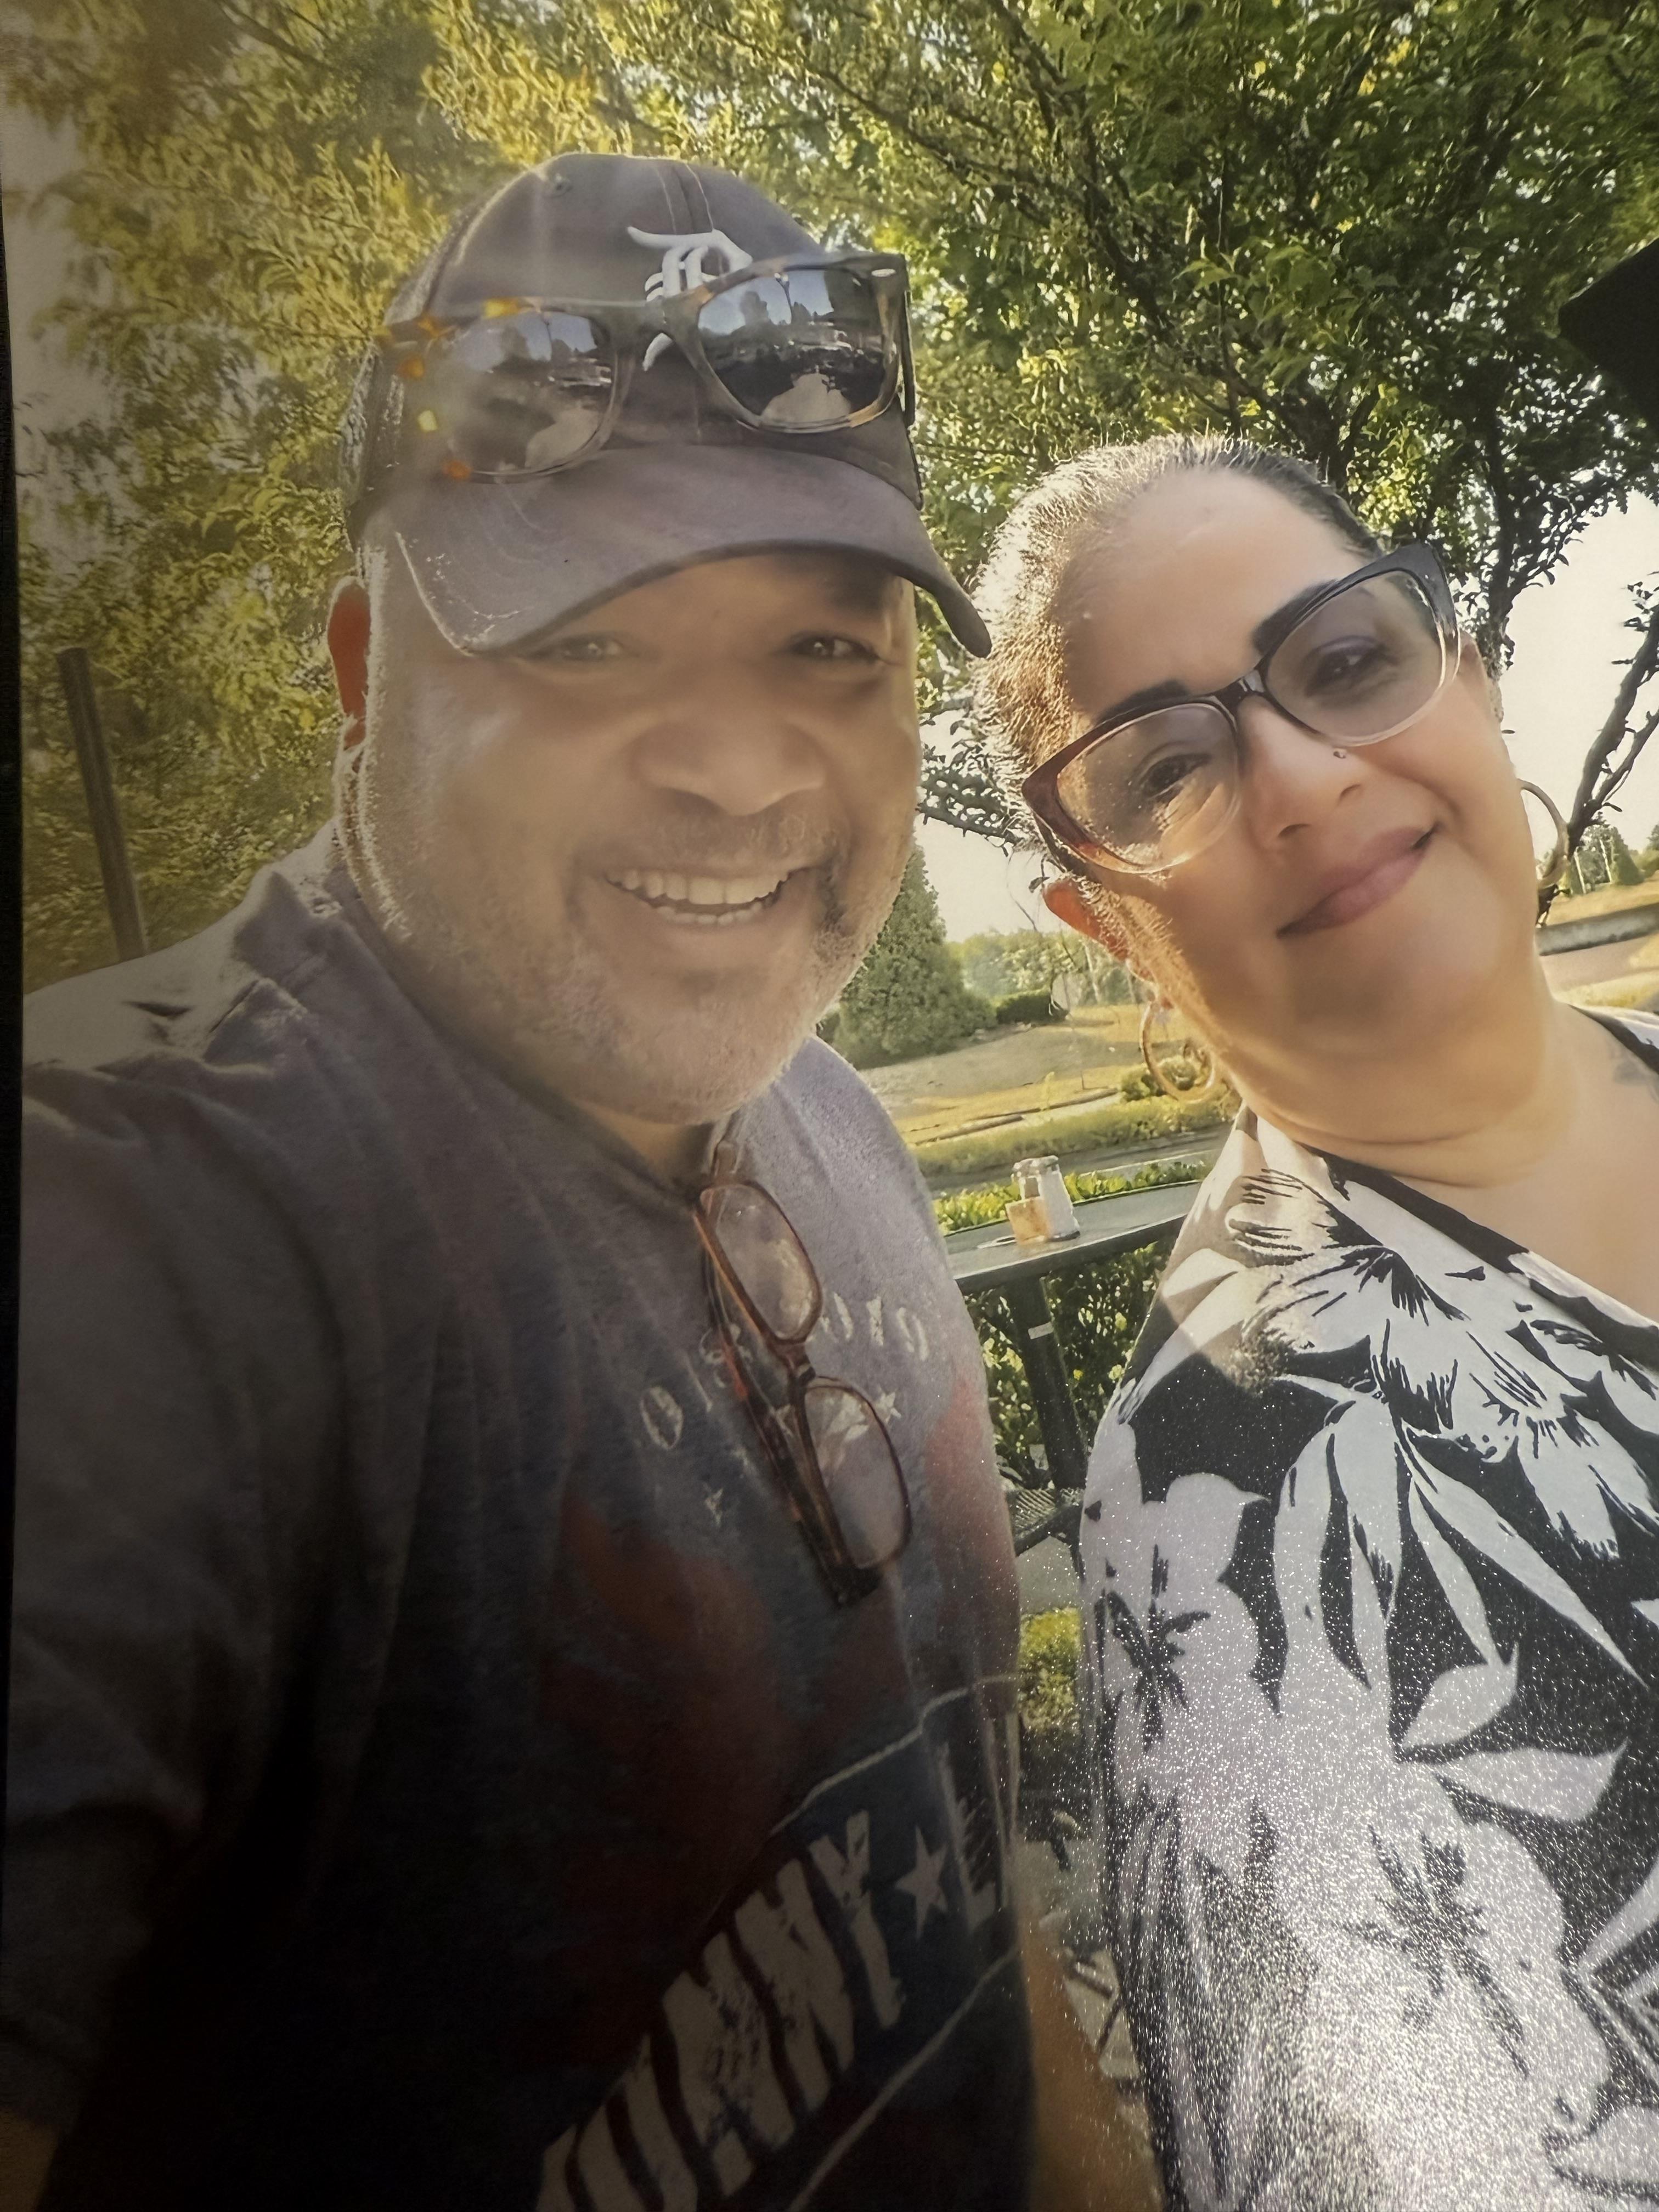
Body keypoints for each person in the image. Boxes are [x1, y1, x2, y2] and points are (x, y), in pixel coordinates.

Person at [0, 154, 1154, 2212]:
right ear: (366, 673)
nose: (736, 765)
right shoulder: (139, 1231)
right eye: (593, 642)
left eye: (825, 646)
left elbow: (972, 1891)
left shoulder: (839, 1130)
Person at [973, 432, 1659, 2209]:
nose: (1295, 773)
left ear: (1472, 675)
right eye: (1167, 772)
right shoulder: (1242, 1515)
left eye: (1343, 662)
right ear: (1103, 924)